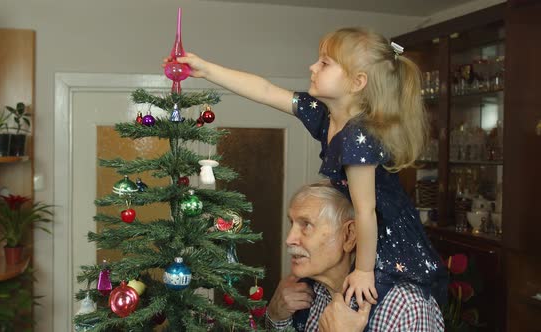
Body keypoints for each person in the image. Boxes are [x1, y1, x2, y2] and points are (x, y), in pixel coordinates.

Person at [164, 27, 447, 310]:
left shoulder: (357, 137)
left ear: (357, 82)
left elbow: (366, 211)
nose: (312, 67)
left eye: (324, 63)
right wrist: (206, 69)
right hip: (361, 234)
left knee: (368, 305)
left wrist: (363, 271)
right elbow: (264, 91)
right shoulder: (325, 116)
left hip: (386, 241)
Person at [265, 182, 444, 331]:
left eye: (306, 225)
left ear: (349, 236)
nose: (289, 239)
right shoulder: (308, 292)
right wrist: (276, 316)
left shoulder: (404, 307)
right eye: (292, 223)